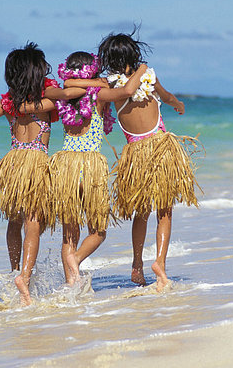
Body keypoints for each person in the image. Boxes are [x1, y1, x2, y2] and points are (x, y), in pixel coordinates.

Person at [0, 42, 85, 305]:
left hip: (13, 164)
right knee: (34, 222)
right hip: (35, 163)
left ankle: (14, 271)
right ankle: (24, 278)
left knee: (14, 220)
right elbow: (71, 93)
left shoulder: (10, 101)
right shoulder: (47, 95)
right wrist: (90, 84)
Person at [22, 51, 147, 285]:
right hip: (90, 166)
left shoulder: (62, 97)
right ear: (92, 71)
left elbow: (33, 105)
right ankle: (76, 260)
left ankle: (72, 284)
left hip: (65, 167)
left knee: (69, 234)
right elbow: (128, 90)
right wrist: (141, 70)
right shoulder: (99, 96)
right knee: (98, 231)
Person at [93, 30, 200, 291]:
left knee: (141, 211)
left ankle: (137, 265)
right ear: (134, 54)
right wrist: (179, 105)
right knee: (165, 210)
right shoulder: (149, 78)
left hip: (135, 154)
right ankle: (160, 264)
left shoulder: (110, 87)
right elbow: (167, 97)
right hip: (162, 149)